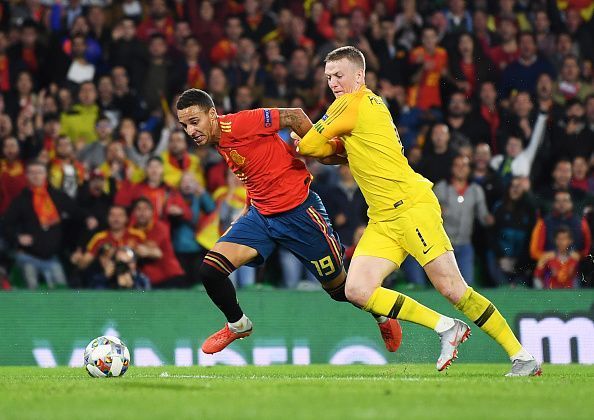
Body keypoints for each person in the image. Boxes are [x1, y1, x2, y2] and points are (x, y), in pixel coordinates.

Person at [296, 45, 541, 376]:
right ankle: (445, 327)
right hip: (383, 219)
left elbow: (310, 146)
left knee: (454, 289)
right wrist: (338, 148)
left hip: (411, 208)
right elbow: (326, 148)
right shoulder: (361, 109)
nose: (333, 83)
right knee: (357, 290)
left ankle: (521, 356)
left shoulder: (352, 104)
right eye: (328, 78)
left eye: (339, 75)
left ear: (360, 75)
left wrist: (327, 147)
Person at [176, 88, 402, 355]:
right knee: (210, 271)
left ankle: (383, 315)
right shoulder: (219, 141)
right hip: (262, 216)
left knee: (342, 290)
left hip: (300, 213)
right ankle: (238, 324)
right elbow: (254, 169)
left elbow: (294, 116)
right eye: (184, 126)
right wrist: (249, 207)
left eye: (194, 122)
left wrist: (320, 149)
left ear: (212, 114)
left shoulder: (241, 123)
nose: (190, 131)